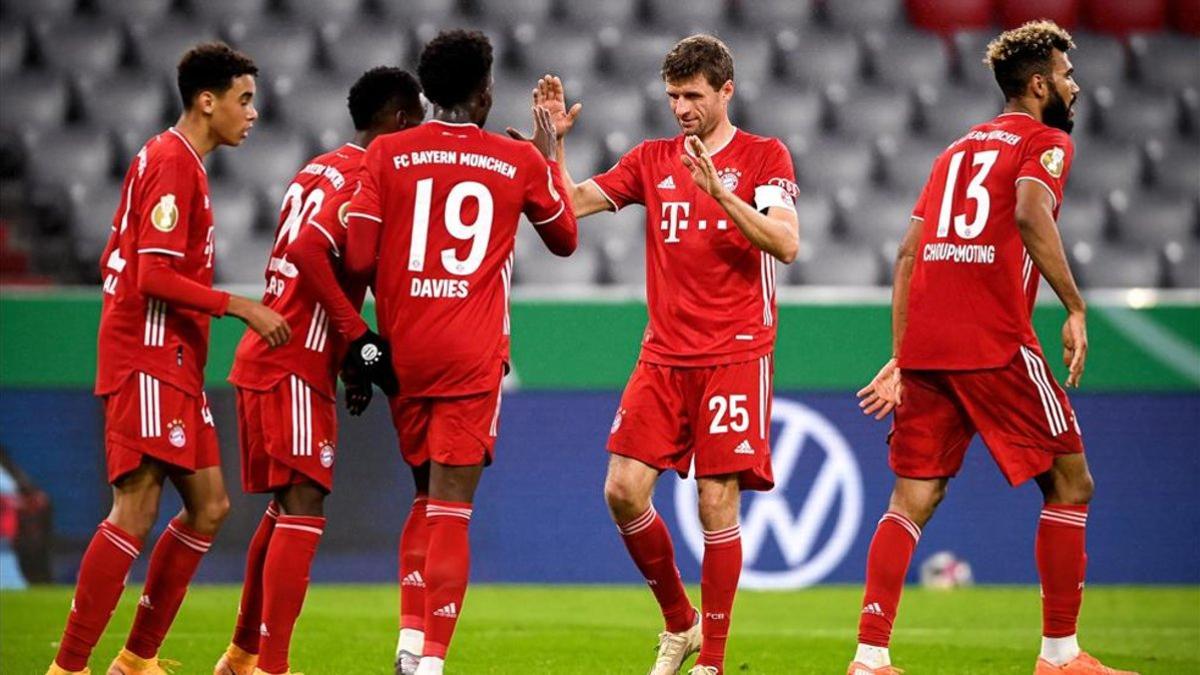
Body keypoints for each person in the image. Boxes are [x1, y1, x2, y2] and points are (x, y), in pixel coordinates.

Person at [847, 20, 1137, 675]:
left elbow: (907, 254)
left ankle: (869, 658)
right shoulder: (1046, 142)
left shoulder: (952, 154)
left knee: (911, 501)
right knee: (1070, 480)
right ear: (1038, 85)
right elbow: (1032, 213)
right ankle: (1060, 656)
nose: (1074, 85)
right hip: (995, 342)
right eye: (1065, 75)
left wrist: (902, 354)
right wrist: (1075, 303)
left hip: (928, 348)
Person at [520, 34, 800, 675]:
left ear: (726, 91)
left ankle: (714, 663)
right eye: (673, 96)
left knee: (715, 501)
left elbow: (786, 243)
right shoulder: (652, 158)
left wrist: (721, 193)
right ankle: (681, 624)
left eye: (694, 96)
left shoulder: (764, 156)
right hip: (664, 355)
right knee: (622, 490)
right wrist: (551, 148)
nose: (682, 109)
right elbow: (573, 205)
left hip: (736, 351)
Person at [47, 42, 290, 675]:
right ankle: (68, 667)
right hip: (148, 355)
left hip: (174, 360)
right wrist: (239, 307)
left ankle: (136, 659)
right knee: (134, 508)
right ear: (206, 102)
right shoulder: (172, 163)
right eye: (244, 99)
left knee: (209, 506)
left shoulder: (181, 162)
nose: (253, 113)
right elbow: (152, 276)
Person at [343, 29, 578, 675]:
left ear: (428, 91)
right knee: (451, 506)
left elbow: (358, 258)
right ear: (484, 92)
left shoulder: (386, 154)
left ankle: (410, 642)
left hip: (402, 355)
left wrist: (359, 358)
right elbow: (564, 238)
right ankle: (434, 664)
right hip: (471, 358)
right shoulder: (517, 159)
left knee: (421, 497)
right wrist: (551, 149)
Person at [213, 66, 425, 675]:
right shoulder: (368, 176)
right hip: (294, 360)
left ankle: (242, 656)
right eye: (418, 121)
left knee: (285, 509)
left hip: (273, 356)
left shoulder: (319, 166)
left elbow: (320, 256)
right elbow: (310, 250)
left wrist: (350, 361)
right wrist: (357, 338)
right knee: (303, 509)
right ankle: (270, 666)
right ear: (401, 121)